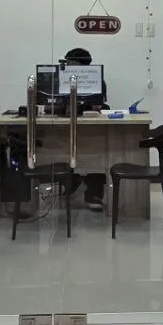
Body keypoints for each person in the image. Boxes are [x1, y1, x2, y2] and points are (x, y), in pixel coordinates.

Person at [63, 47, 109, 211]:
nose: (67, 66)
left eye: (70, 63)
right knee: (62, 149)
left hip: (91, 125)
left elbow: (99, 106)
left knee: (97, 151)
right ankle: (71, 180)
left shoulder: (97, 81)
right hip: (65, 125)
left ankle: (94, 192)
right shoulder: (62, 79)